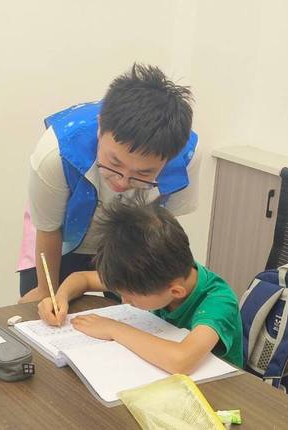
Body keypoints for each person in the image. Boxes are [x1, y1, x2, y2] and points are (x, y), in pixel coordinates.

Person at [17, 63, 200, 303]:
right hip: (58, 241)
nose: (122, 183)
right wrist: (44, 290)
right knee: (48, 306)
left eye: (143, 173)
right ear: (100, 126)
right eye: (114, 163)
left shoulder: (186, 159)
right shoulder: (57, 152)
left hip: (130, 244)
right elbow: (48, 228)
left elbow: (160, 226)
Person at [37, 200, 243, 373]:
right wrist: (60, 298)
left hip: (216, 393)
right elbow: (82, 278)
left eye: (131, 298)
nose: (125, 301)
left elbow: (181, 361)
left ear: (175, 291)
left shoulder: (218, 301)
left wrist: (113, 328)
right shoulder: (151, 275)